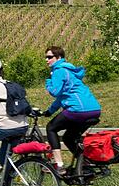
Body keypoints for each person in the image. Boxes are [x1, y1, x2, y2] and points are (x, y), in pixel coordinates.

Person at [42, 46, 101, 174]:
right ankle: (85, 163)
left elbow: (55, 92)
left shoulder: (59, 71)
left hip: (78, 110)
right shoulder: (70, 71)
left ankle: (59, 165)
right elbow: (62, 96)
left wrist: (47, 82)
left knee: (51, 128)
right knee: (69, 137)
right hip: (94, 109)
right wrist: (50, 111)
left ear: (58, 58)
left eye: (49, 57)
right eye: (46, 57)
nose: (47, 60)